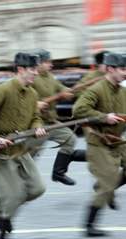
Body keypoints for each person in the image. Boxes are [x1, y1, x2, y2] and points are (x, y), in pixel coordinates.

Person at [0, 53, 46, 239]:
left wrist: (38, 126)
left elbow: (36, 116)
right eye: (33, 69)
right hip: (1, 150)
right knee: (14, 193)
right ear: (21, 69)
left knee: (37, 188)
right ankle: (2, 236)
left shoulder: (32, 93)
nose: (36, 73)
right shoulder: (3, 89)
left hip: (20, 148)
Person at [72, 52, 126, 237]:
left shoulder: (122, 90)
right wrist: (104, 117)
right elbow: (78, 109)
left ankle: (106, 186)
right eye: (122, 69)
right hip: (99, 143)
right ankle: (89, 225)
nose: (125, 73)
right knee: (107, 183)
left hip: (117, 141)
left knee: (109, 182)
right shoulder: (97, 89)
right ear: (110, 69)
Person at [30, 49, 86, 185]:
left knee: (70, 139)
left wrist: (67, 92)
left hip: (50, 121)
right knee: (30, 156)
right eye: (48, 62)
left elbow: (61, 88)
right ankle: (20, 180)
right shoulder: (31, 77)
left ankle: (58, 173)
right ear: (39, 63)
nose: (51, 65)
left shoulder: (49, 76)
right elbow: (21, 97)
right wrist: (35, 104)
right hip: (35, 124)